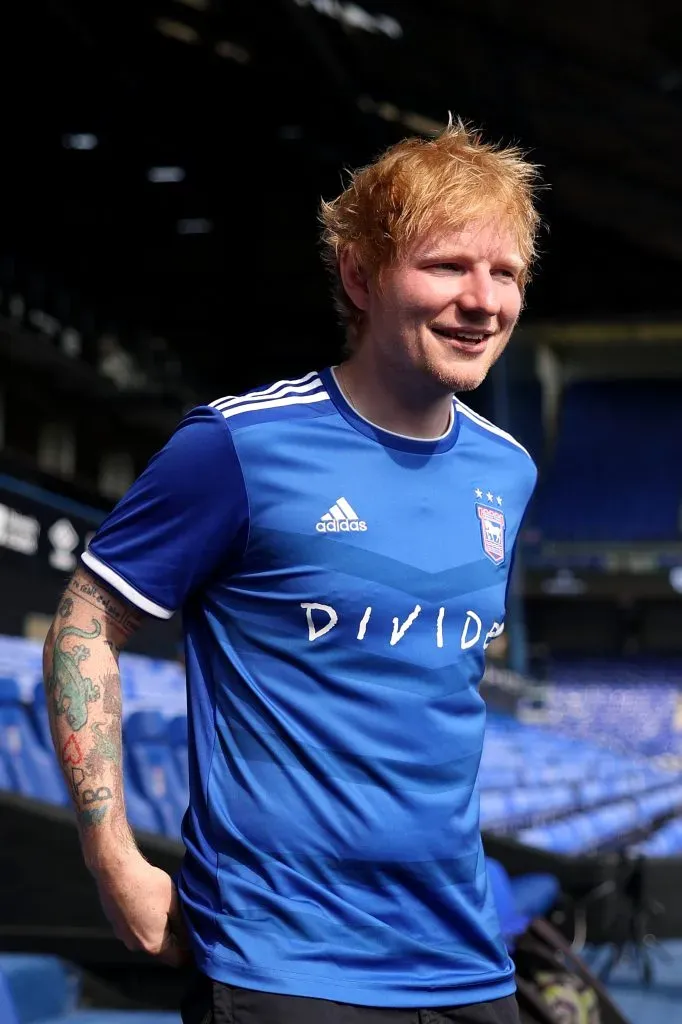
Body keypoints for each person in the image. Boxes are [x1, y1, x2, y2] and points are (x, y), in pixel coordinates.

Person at [42, 120, 542, 1024]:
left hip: (466, 960)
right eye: (445, 267)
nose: (482, 301)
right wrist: (112, 857)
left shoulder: (509, 470)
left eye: (504, 273)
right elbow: (84, 623)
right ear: (359, 275)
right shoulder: (238, 446)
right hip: (287, 967)